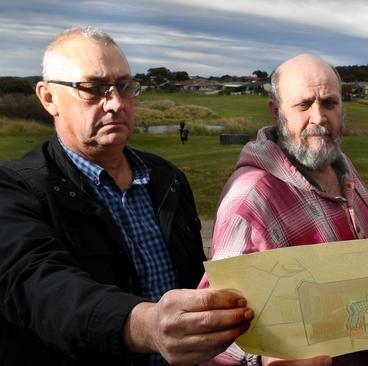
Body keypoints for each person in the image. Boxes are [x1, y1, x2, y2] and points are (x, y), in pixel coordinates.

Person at [0, 27, 325, 366]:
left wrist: (258, 350)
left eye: (125, 86)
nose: (115, 103)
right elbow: (39, 287)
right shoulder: (16, 189)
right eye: (93, 89)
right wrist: (145, 325)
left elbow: (199, 287)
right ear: (48, 97)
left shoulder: (165, 178)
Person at [199, 54, 368, 365]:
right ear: (276, 111)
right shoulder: (250, 199)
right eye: (303, 105)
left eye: (329, 103)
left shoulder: (342, 167)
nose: (319, 117)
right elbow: (216, 335)